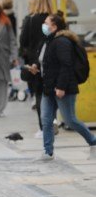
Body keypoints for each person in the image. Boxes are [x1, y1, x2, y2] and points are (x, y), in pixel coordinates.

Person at [33, 14, 96, 161]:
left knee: (70, 120)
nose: (43, 25)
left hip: (63, 88)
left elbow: (66, 65)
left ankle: (93, 141)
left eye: (46, 23)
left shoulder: (62, 42)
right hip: (48, 88)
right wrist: (36, 67)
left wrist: (61, 87)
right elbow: (48, 63)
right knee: (46, 119)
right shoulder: (48, 40)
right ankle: (48, 152)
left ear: (54, 26)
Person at [20, 0, 54, 138]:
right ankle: (53, 121)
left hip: (35, 61)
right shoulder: (54, 19)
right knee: (52, 92)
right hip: (53, 58)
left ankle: (43, 127)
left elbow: (23, 41)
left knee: (39, 93)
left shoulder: (31, 20)